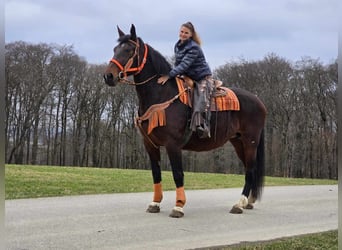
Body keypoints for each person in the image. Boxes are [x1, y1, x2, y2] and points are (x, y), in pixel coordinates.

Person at [157, 21, 213, 138]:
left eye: (186, 33)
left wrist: (169, 75)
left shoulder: (194, 48)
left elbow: (184, 65)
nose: (183, 34)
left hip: (202, 78)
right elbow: (178, 64)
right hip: (188, 77)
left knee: (200, 100)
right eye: (181, 32)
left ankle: (201, 126)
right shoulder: (177, 45)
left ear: (191, 35)